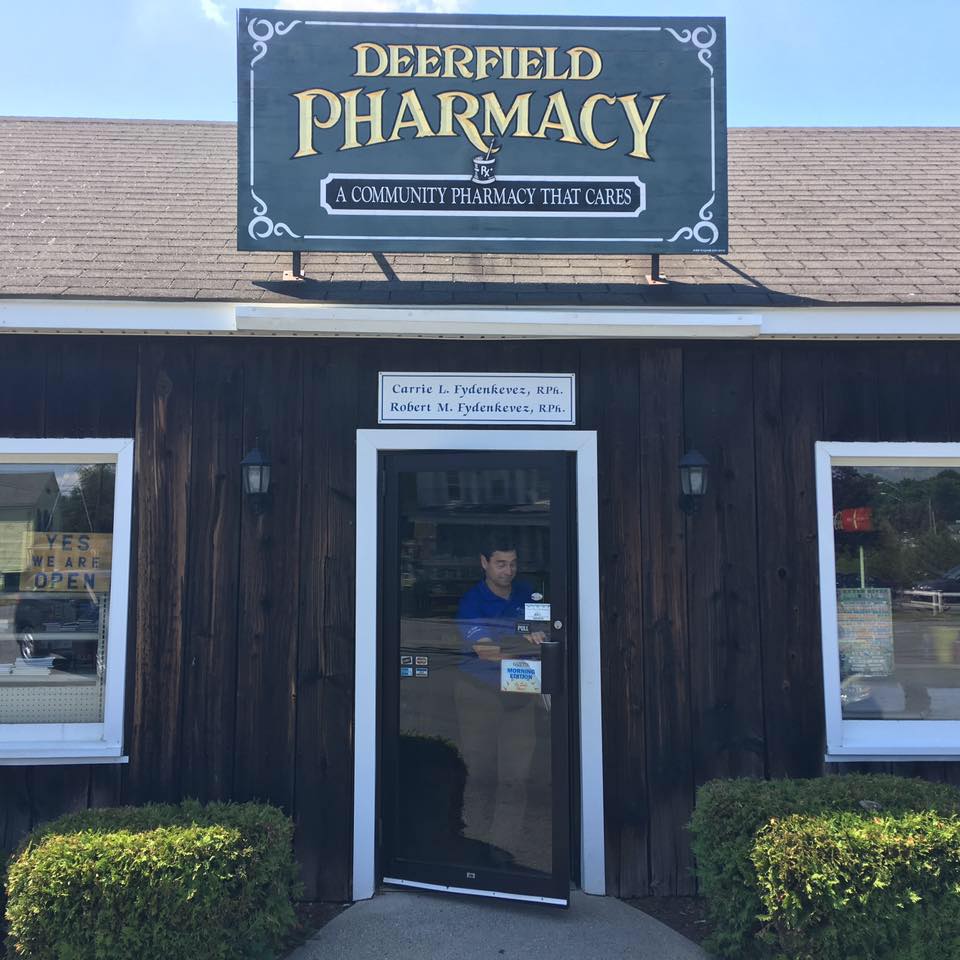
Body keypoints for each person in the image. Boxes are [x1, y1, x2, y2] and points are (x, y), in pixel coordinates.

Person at [454, 534, 550, 871]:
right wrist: (524, 642)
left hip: (520, 691)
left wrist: (536, 638)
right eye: (500, 564)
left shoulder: (528, 594)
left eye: (512, 563)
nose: (508, 571)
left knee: (515, 777)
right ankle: (472, 841)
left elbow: (548, 632)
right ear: (484, 563)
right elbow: (485, 652)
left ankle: (501, 848)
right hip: (478, 692)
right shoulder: (472, 601)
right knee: (478, 772)